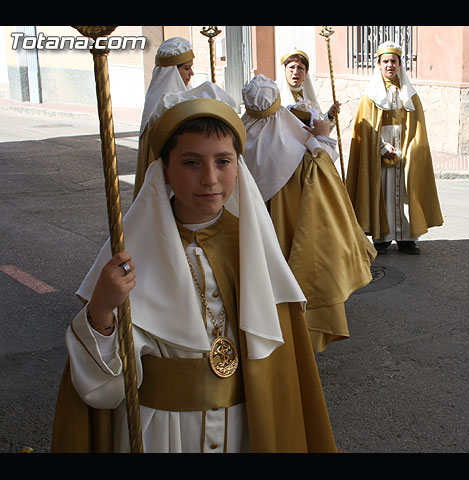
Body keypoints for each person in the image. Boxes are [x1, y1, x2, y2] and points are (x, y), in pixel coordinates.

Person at [50, 82, 336, 453]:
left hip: (242, 430)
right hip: (159, 433)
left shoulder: (253, 249)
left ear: (238, 165)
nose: (210, 179)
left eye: (222, 161)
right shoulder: (134, 252)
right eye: (191, 162)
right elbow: (102, 390)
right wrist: (102, 310)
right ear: (165, 171)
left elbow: (280, 375)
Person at [241, 74, 375, 354]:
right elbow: (323, 172)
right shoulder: (298, 147)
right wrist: (323, 137)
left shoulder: (239, 144)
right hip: (293, 231)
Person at [346, 41, 443, 255]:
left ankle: (406, 238)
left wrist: (410, 149)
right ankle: (382, 237)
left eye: (394, 61)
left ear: (399, 64)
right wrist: (381, 147)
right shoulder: (369, 96)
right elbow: (366, 129)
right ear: (379, 65)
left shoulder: (410, 94)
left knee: (406, 193)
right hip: (379, 152)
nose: (390, 65)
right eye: (385, 61)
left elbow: (417, 128)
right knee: (383, 192)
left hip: (405, 150)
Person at [133, 37, 236, 198]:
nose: (191, 73)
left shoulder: (179, 99)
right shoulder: (165, 108)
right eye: (187, 68)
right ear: (172, 71)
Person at [278, 49, 340, 129]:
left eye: (300, 68)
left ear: (306, 72)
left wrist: (330, 115)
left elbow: (318, 127)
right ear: (284, 70)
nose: (295, 72)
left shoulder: (307, 97)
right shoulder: (275, 95)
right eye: (291, 67)